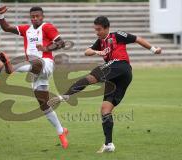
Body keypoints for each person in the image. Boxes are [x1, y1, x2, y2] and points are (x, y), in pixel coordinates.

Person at [48, 16, 162, 153]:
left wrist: (153, 50)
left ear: (106, 28)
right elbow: (87, 52)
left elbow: (138, 39)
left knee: (92, 76)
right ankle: (109, 144)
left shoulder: (117, 35)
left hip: (121, 66)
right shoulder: (100, 41)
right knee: (105, 109)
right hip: (119, 78)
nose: (97, 32)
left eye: (99, 29)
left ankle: (66, 95)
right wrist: (97, 51)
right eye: (95, 29)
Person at [0, 5, 69, 149]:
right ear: (30, 17)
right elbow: (6, 28)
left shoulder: (47, 27)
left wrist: (48, 48)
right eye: (32, 16)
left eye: (37, 16)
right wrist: (0, 16)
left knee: (36, 61)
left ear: (42, 16)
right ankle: (61, 132)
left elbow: (61, 42)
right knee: (44, 106)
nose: (35, 18)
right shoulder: (26, 29)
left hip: (46, 64)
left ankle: (12, 68)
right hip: (34, 69)